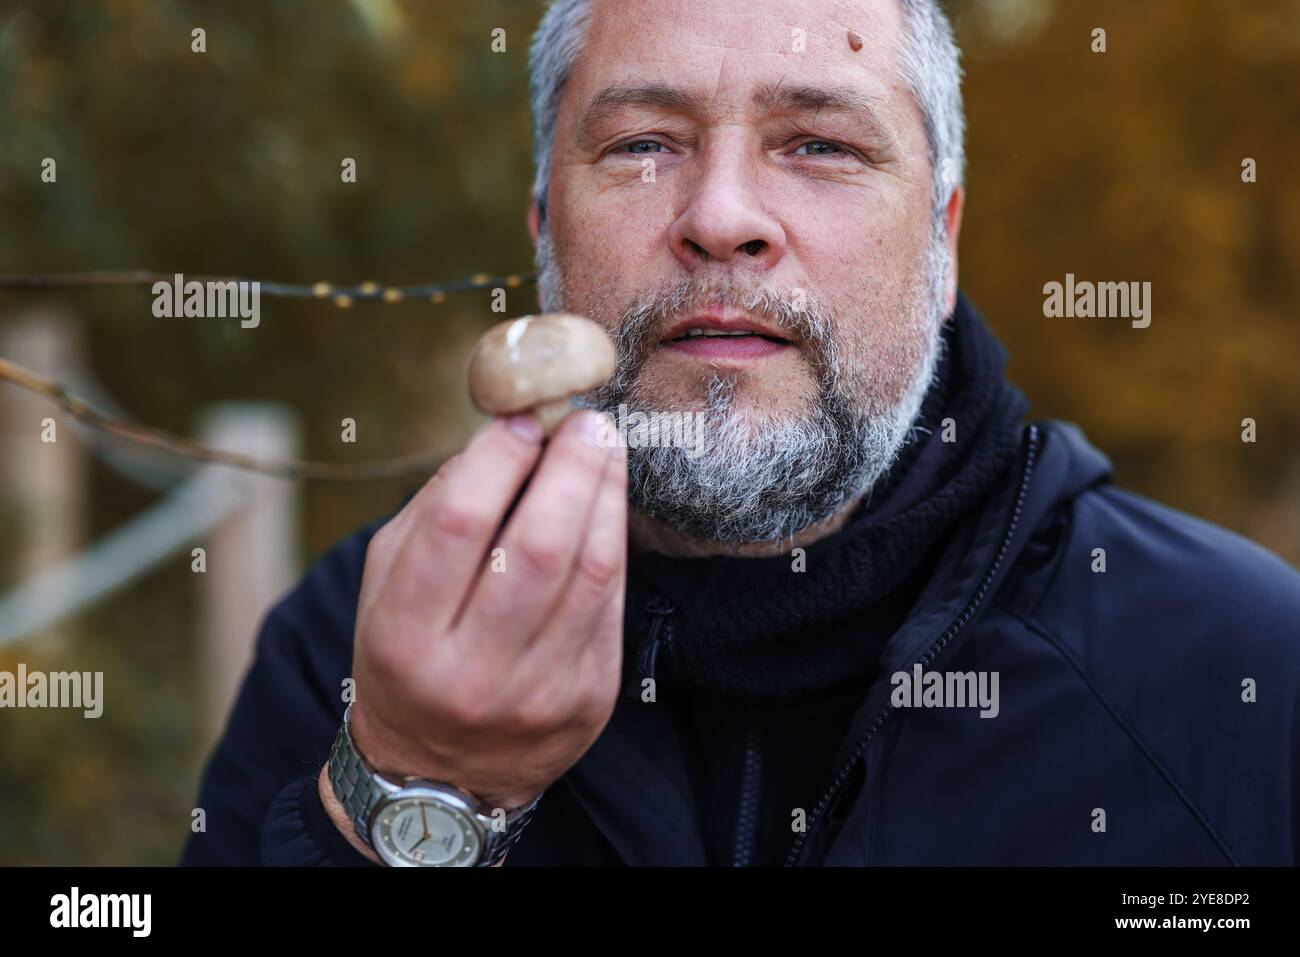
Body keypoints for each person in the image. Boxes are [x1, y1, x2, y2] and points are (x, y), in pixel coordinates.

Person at [181, 0, 1300, 867]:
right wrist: (417, 789)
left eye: (818, 144)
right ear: (542, 229)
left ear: (943, 238)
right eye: (641, 144)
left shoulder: (1243, 675)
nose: (720, 218)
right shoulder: (355, 644)